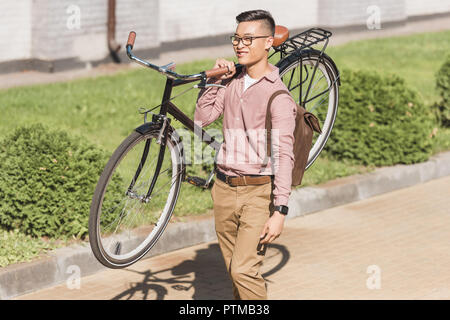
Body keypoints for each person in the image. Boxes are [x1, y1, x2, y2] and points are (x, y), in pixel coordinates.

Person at [194, 9, 297, 300]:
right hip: (224, 189)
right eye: (237, 38)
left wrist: (280, 211)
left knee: (243, 271)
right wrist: (215, 80)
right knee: (234, 271)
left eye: (248, 39)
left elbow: (284, 155)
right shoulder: (232, 82)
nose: (240, 44)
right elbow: (201, 120)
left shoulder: (278, 96)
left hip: (257, 194)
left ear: (268, 43)